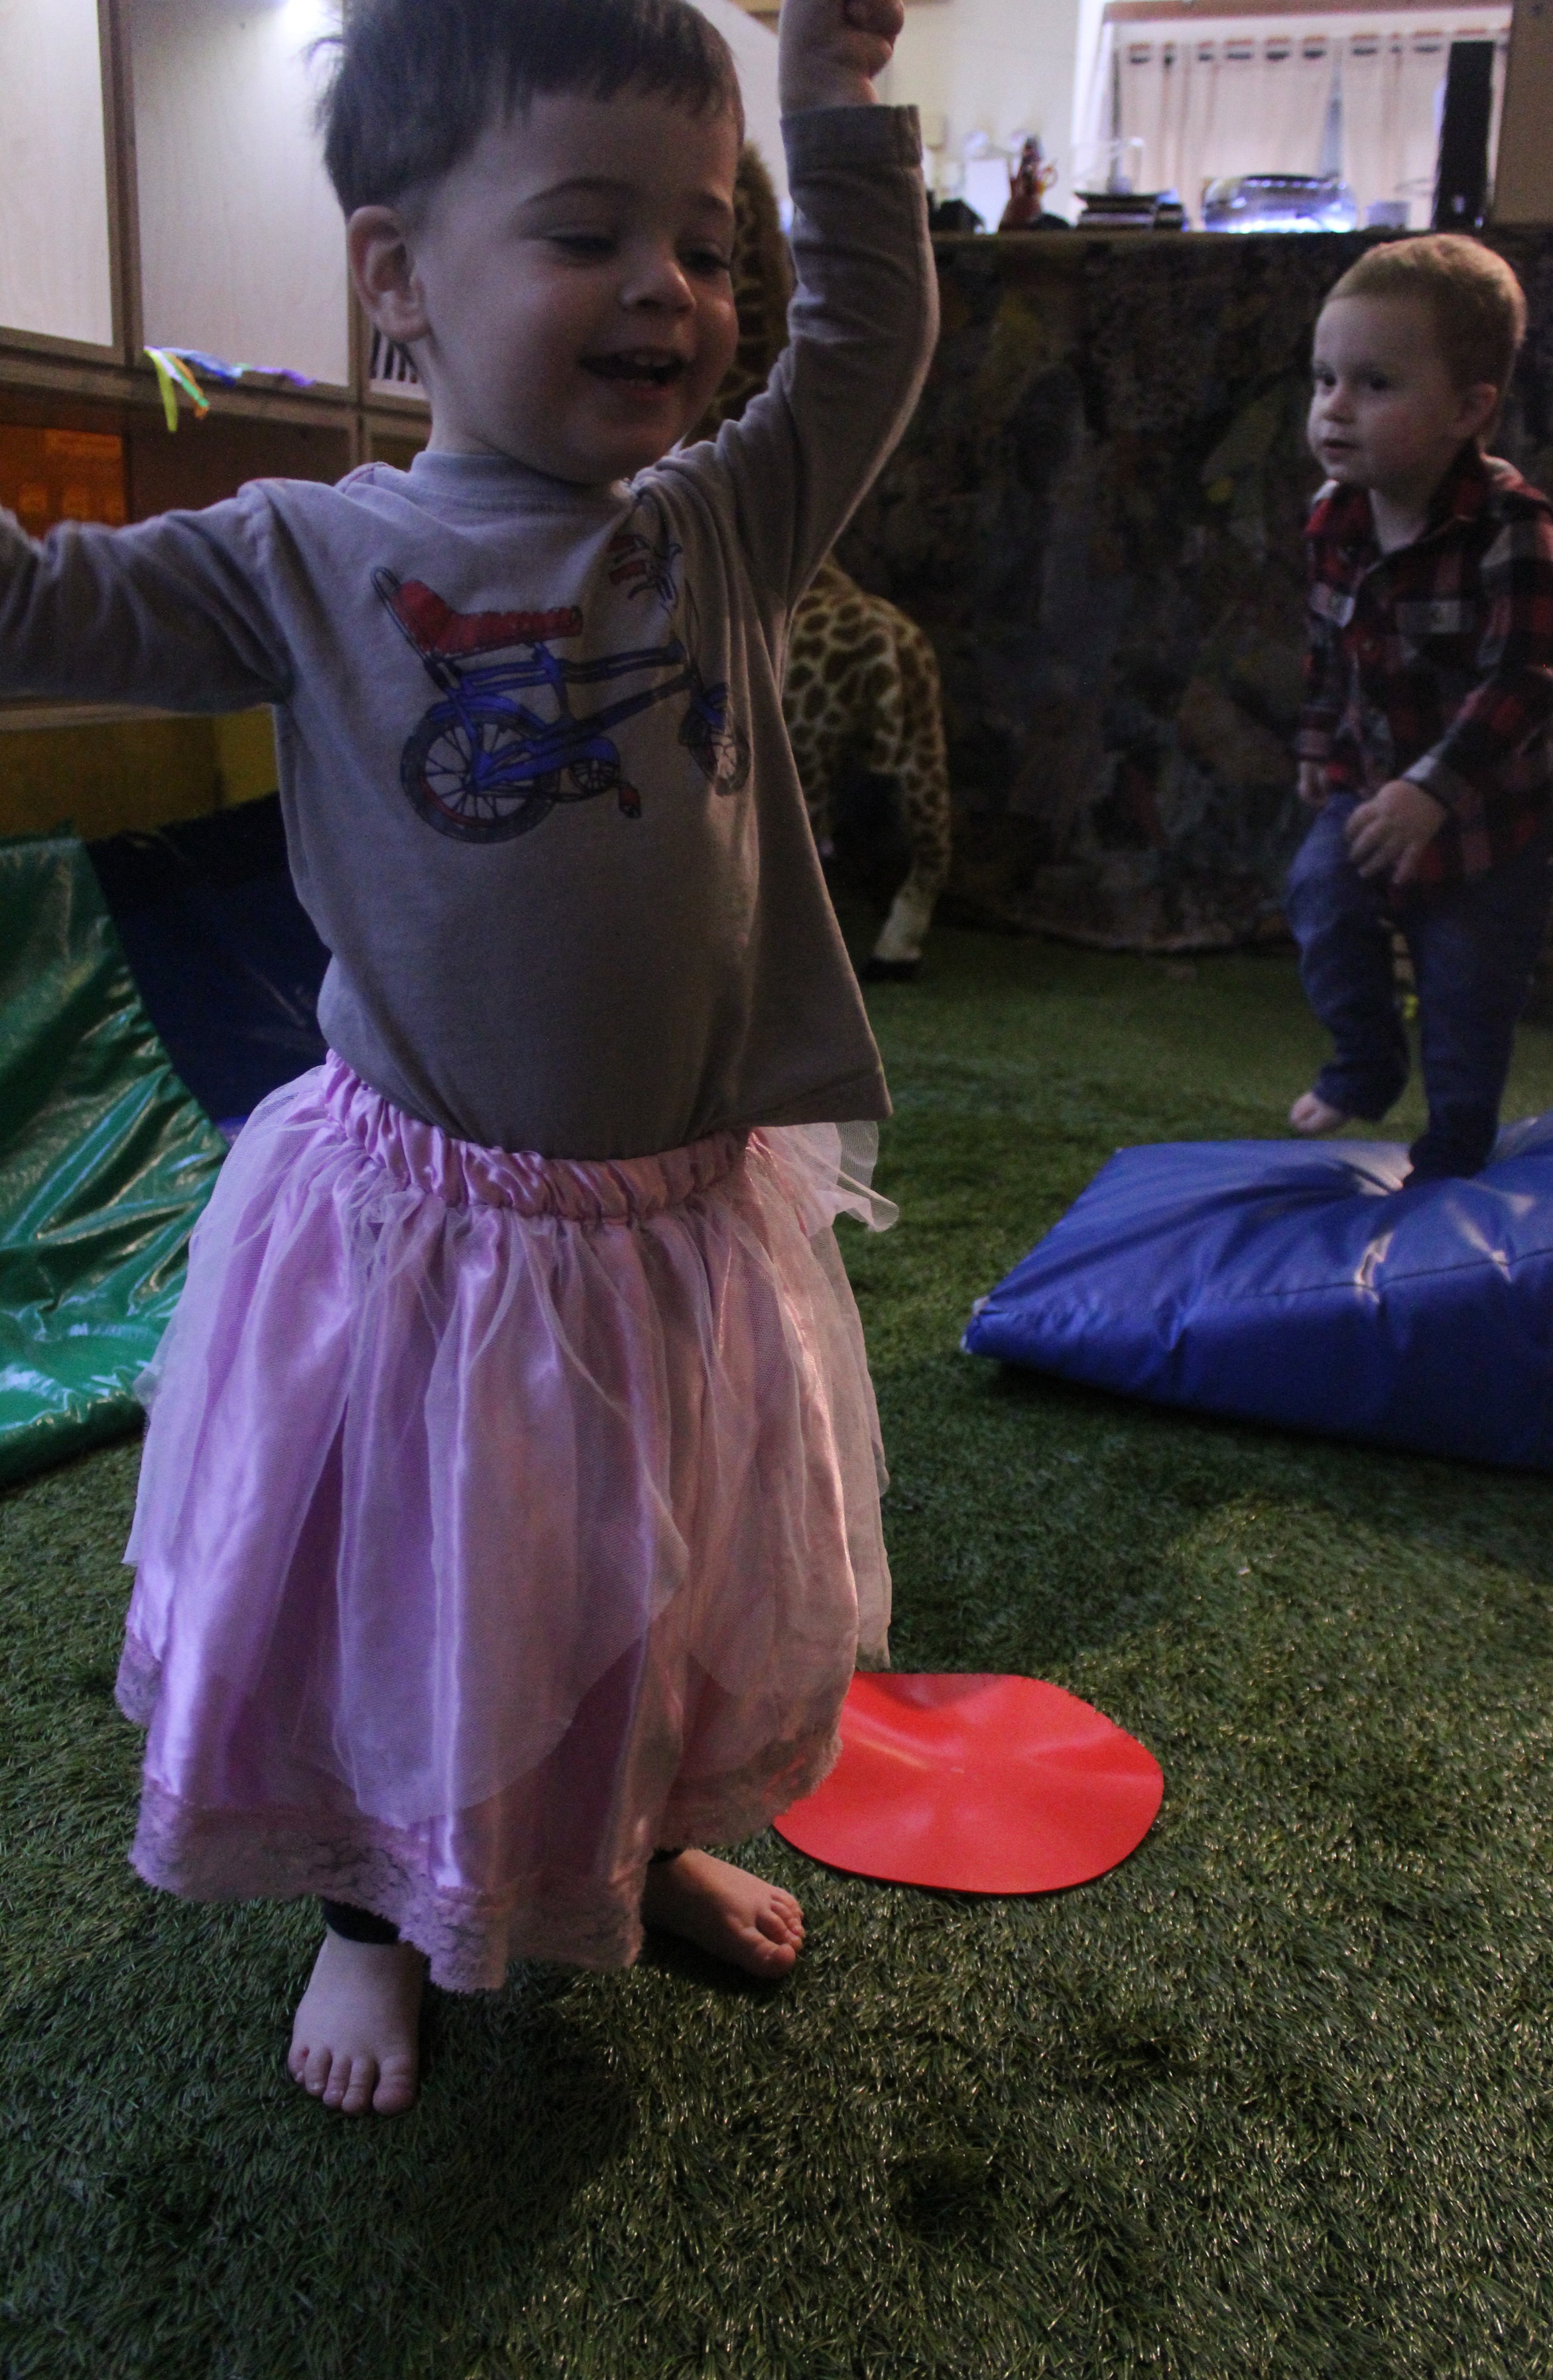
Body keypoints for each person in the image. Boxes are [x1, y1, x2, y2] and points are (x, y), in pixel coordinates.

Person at [0, 0, 936, 2113]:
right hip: (429, 1246)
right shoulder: (307, 557)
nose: (668, 294)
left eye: (703, 246)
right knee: (416, 1598)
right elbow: (37, 608)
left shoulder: (718, 529)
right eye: (587, 233)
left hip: (675, 1232)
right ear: (398, 274)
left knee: (660, 1570)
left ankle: (642, 1825)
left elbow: (862, 351)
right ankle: (369, 1910)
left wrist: (831, 113)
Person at [1284, 234, 1553, 1181]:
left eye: (1375, 385)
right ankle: (1365, 1062)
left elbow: (1527, 680)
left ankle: (1453, 1147)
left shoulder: (1512, 525)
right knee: (1322, 892)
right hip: (1372, 785)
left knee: (1467, 983)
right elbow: (1329, 649)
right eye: (1325, 379)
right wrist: (1320, 747)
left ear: (1468, 409)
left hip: (1494, 816)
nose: (1335, 407)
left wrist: (1435, 791)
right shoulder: (1335, 514)